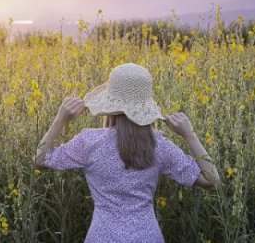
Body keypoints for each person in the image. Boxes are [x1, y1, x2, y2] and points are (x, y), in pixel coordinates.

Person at [33, 63, 221, 243]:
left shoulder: (89, 142)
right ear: (145, 106)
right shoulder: (159, 145)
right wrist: (189, 134)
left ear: (110, 107)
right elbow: (211, 180)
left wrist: (61, 119)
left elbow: (40, 160)